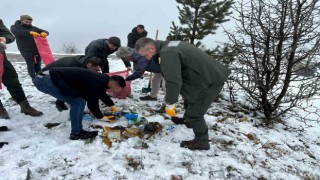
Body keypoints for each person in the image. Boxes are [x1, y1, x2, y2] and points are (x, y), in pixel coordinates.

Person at [135, 38, 231, 150]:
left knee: (195, 114)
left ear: (152, 48)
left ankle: (202, 141)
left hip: (211, 81)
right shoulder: (170, 46)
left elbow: (173, 80)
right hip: (205, 76)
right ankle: (187, 121)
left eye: (146, 55)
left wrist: (170, 102)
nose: (147, 58)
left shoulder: (168, 53)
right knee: (188, 97)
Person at [33, 67, 126, 140]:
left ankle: (78, 130)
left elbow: (101, 93)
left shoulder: (103, 80)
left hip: (48, 78)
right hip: (46, 80)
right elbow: (92, 103)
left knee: (80, 100)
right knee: (77, 102)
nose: (114, 91)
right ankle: (76, 133)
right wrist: (101, 117)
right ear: (113, 84)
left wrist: (112, 106)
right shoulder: (97, 82)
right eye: (116, 89)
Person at [0, 19, 43, 120]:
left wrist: (5, 38)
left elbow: (9, 35)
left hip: (1, 57)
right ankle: (0, 109)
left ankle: (25, 106)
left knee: (12, 79)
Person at [10, 15, 49, 79]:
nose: (28, 23)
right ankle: (34, 79)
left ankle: (40, 78)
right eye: (26, 22)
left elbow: (46, 31)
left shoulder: (34, 28)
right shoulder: (15, 27)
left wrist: (44, 33)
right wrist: (30, 32)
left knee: (38, 64)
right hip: (25, 49)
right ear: (21, 21)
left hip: (36, 49)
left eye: (30, 22)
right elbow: (16, 32)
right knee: (31, 64)